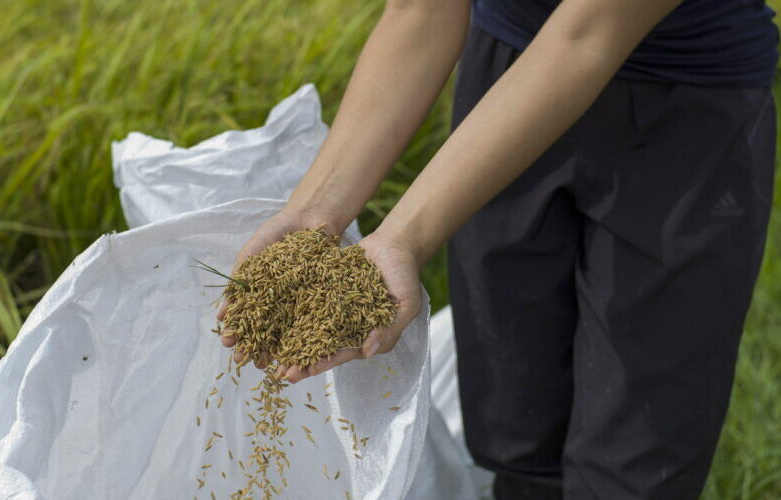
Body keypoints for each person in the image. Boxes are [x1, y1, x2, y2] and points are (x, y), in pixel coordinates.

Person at [220, 0, 778, 497]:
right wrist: (314, 214)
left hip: (685, 113)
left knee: (636, 456)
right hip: (505, 83)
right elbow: (423, 10)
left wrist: (404, 238)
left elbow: (586, 34)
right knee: (516, 423)